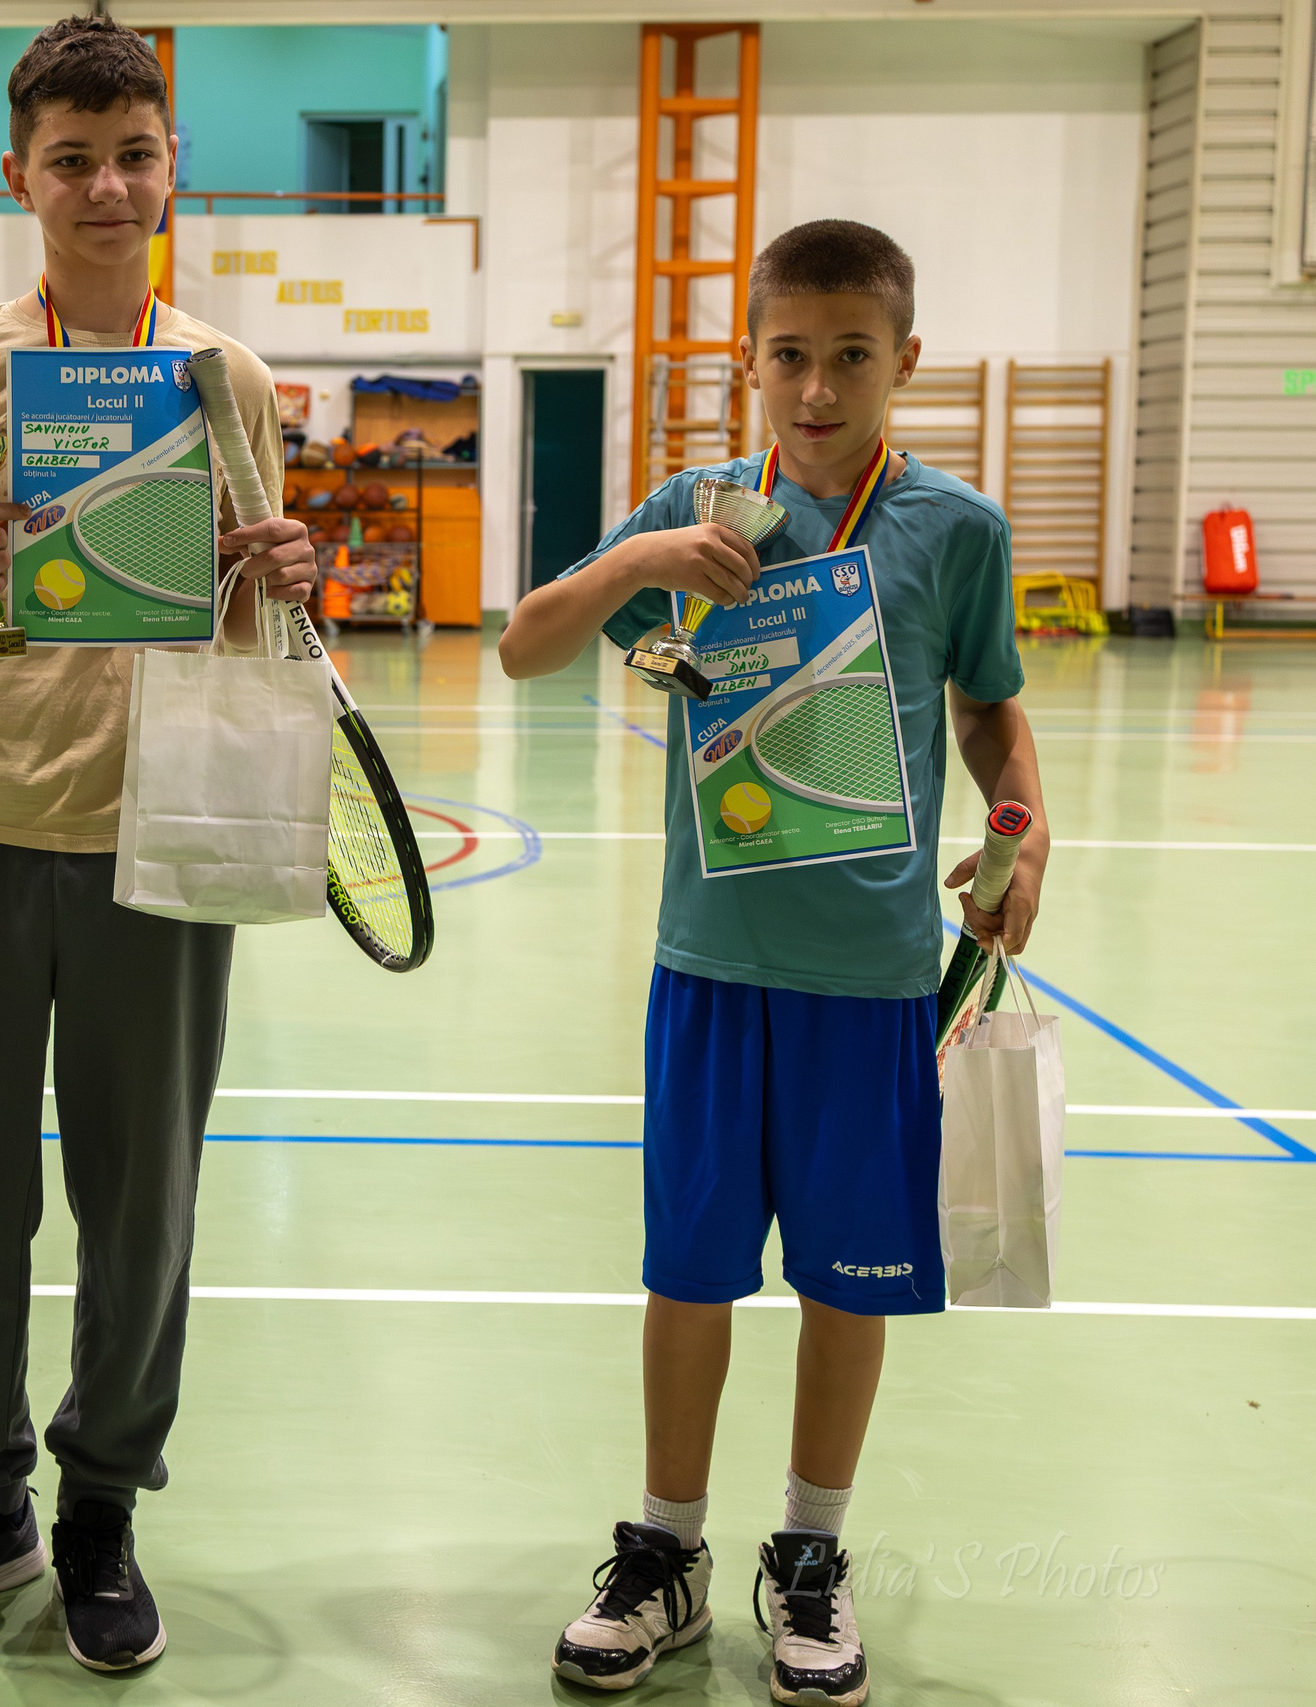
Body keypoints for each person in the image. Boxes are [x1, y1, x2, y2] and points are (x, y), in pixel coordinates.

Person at [503, 221, 1049, 1704]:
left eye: (851, 357)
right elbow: (524, 646)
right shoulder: (700, 512)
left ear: (904, 364)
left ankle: (808, 1553)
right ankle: (666, 1553)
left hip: (869, 983)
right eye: (791, 356)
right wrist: (645, 557)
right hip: (710, 968)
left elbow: (994, 712)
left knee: (847, 1283)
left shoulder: (957, 530)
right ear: (750, 362)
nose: (818, 388)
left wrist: (1028, 821)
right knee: (687, 1274)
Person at [0, 16, 317, 1675]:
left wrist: (287, 573)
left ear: (170, 165)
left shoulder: (225, 375)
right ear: (17, 176)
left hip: (160, 848)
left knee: (143, 1206)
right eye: (72, 160)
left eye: (135, 155)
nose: (106, 187)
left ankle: (102, 1507)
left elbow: (258, 615)